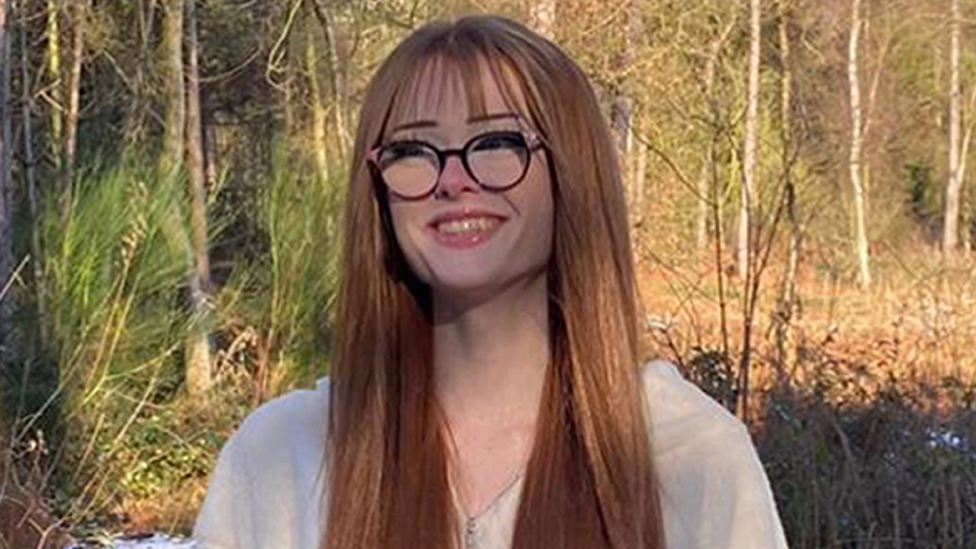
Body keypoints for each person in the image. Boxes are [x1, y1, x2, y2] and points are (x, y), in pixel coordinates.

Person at [192, 14, 789, 549]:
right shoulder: (280, 459)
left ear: (570, 173)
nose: (452, 179)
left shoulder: (690, 459)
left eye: (499, 141)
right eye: (414, 149)